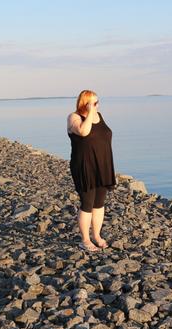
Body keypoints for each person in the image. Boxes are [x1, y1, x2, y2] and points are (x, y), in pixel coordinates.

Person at [67, 90, 117, 252]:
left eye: (97, 102)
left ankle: (97, 235)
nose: (97, 105)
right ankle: (85, 240)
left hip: (102, 165)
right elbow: (84, 132)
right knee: (87, 203)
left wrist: (94, 112)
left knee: (99, 203)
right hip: (84, 165)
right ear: (85, 103)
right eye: (94, 103)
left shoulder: (99, 116)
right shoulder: (74, 117)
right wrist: (89, 112)